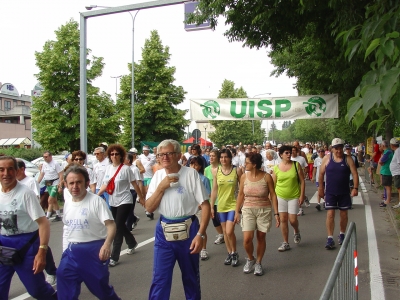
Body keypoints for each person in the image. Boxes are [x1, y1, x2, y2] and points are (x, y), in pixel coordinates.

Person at [145, 139, 210, 300]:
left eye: (169, 153)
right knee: (160, 279)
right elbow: (149, 208)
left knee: (190, 277)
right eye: (161, 154)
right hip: (164, 231)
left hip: (188, 229)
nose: (165, 157)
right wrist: (161, 187)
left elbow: (206, 206)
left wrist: (200, 235)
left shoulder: (191, 174)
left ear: (179, 155)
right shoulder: (158, 176)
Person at [57, 164, 120, 300]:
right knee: (64, 279)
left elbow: (111, 225)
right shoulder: (68, 203)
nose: (75, 186)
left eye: (79, 182)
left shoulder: (96, 202)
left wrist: (107, 245)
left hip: (94, 251)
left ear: (86, 183)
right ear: (66, 185)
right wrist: (65, 250)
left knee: (100, 289)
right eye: (71, 183)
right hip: (72, 251)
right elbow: (67, 228)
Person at [0, 156, 56, 300]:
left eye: (10, 169)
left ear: (17, 171)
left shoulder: (25, 193)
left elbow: (43, 223)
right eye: (1, 169)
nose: (6, 173)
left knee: (38, 291)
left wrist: (42, 251)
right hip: (3, 246)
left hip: (26, 246)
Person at [97, 144, 144, 267]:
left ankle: (114, 256)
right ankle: (132, 242)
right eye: (111, 154)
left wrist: (141, 198)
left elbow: (134, 184)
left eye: (116, 154)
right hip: (113, 200)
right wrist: (96, 195)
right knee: (120, 225)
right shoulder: (108, 169)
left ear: (121, 155)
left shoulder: (126, 169)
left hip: (125, 200)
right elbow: (105, 185)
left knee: (117, 227)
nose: (114, 156)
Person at [235, 152, 278, 276]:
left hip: (264, 210)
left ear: (254, 164)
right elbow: (241, 195)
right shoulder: (244, 177)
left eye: (247, 163)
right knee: (247, 239)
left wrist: (276, 214)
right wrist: (237, 212)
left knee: (260, 237)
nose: (245, 164)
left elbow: (273, 195)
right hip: (248, 209)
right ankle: (250, 258)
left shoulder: (267, 177)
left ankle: (259, 262)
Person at [16, 159, 58, 285]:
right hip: (17, 225)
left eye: (14, 169)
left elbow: (35, 197)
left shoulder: (30, 182)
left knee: (41, 247)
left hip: (32, 221)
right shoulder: (10, 183)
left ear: (22, 169)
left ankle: (51, 272)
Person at [318, 138, 359, 249]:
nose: (339, 151)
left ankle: (342, 234)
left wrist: (355, 188)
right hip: (331, 192)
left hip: (344, 192)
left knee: (344, 214)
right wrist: (320, 188)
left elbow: (355, 174)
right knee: (330, 214)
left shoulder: (348, 159)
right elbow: (321, 174)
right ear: (332, 149)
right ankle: (330, 238)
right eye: (336, 149)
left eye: (340, 148)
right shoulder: (327, 159)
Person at [210, 149, 243, 266]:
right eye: (222, 157)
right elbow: (214, 189)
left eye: (226, 157)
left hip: (233, 204)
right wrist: (212, 206)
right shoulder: (216, 171)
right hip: (221, 205)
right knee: (224, 232)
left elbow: (241, 190)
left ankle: (235, 252)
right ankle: (229, 253)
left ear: (230, 158)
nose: (223, 159)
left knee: (229, 231)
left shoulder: (237, 170)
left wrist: (240, 208)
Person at [272, 146, 305, 252]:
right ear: (281, 154)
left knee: (293, 219)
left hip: (294, 196)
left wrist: (302, 195)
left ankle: (296, 230)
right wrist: (271, 197)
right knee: (283, 219)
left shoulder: (296, 165)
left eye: (290, 153)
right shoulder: (276, 168)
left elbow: (302, 181)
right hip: (280, 196)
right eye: (286, 153)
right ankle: (285, 242)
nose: (289, 154)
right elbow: (273, 184)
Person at [189, 156, 211, 261]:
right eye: (192, 164)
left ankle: (203, 249)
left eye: (196, 165)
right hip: (189, 208)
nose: (193, 167)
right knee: (190, 229)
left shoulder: (204, 179)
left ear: (200, 166)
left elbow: (208, 194)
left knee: (201, 229)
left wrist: (200, 204)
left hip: (200, 208)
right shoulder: (186, 178)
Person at [204, 149, 225, 245]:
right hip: (211, 198)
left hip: (221, 196)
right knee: (214, 219)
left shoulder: (222, 168)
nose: (211, 157)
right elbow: (205, 183)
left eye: (213, 156)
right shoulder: (207, 169)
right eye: (210, 155)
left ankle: (226, 234)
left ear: (218, 157)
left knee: (222, 219)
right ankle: (221, 234)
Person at [36, 151, 63, 222]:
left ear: (50, 156)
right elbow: (42, 174)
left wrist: (60, 185)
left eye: (46, 157)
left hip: (55, 183)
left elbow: (61, 174)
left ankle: (47, 217)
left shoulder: (55, 164)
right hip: (48, 183)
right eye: (44, 157)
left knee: (50, 199)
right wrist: (36, 183)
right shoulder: (44, 164)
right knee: (54, 201)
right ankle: (58, 215)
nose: (45, 158)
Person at [291, 146, 309, 215]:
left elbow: (306, 167)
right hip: (292, 179)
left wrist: (304, 174)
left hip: (300, 178)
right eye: (291, 150)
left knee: (298, 194)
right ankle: (305, 197)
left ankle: (300, 209)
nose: (292, 152)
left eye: (294, 150)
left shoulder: (301, 159)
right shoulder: (289, 159)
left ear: (297, 151)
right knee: (297, 194)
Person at [378, 140, 393, 207]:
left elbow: (380, 161)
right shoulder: (388, 152)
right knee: (387, 186)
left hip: (386, 171)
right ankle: (386, 198)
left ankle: (388, 200)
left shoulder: (387, 152)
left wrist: (381, 162)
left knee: (387, 187)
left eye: (381, 145)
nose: (380, 147)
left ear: (383, 146)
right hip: (386, 171)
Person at [389, 138, 400, 209]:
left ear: (392, 145)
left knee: (399, 188)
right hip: (396, 173)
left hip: (398, 173)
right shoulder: (397, 151)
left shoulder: (398, 151)